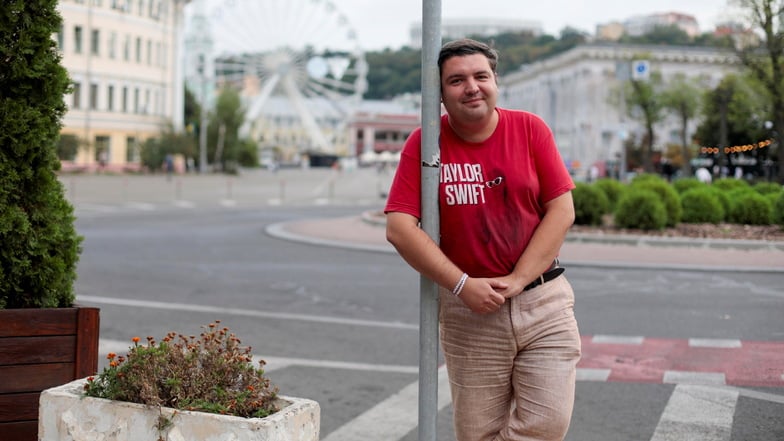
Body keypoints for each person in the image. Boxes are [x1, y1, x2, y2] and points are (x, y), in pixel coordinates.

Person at [384, 38, 581, 441]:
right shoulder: (425, 144)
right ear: (439, 94)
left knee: (547, 424)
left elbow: (562, 211)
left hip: (544, 303)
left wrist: (520, 278)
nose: (471, 87)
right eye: (456, 80)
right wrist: (461, 285)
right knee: (477, 433)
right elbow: (399, 228)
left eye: (480, 76)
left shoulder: (530, 129)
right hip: (469, 313)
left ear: (495, 82)